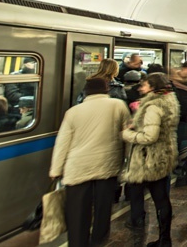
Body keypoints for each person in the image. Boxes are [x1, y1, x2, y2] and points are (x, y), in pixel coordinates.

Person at [49, 78, 130, 247]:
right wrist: (128, 161)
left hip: (77, 166)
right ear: (106, 89)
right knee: (103, 209)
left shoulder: (73, 111)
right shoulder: (118, 106)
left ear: (85, 92)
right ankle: (98, 241)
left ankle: (78, 243)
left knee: (77, 212)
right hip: (107, 164)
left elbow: (63, 142)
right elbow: (127, 136)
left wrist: (56, 169)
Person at [122, 73, 179, 247]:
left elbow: (150, 137)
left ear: (153, 87)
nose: (141, 88)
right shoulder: (170, 99)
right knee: (162, 198)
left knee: (156, 198)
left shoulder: (152, 106)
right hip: (164, 154)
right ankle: (165, 239)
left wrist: (127, 134)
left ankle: (162, 238)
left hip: (150, 158)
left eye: (144, 85)